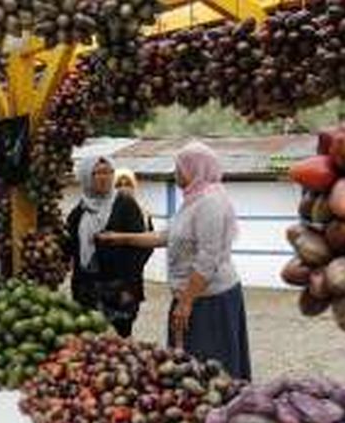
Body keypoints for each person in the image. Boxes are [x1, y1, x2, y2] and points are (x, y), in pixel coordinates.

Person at [98, 142, 251, 380]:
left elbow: (208, 259)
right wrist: (121, 238)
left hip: (209, 299)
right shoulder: (193, 200)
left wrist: (186, 302)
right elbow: (165, 236)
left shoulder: (210, 203)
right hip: (192, 295)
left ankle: (216, 413)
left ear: (194, 169)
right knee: (187, 364)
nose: (175, 172)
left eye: (179, 167)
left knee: (209, 365)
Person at [64, 156, 150, 338]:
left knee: (118, 346)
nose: (105, 178)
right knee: (89, 345)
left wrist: (129, 287)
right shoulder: (78, 212)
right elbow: (69, 249)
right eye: (98, 173)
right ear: (86, 177)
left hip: (119, 290)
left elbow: (142, 248)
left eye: (109, 172)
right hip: (86, 292)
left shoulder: (125, 204)